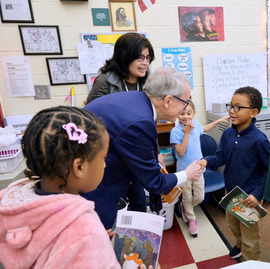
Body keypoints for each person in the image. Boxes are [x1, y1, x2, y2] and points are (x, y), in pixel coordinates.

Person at [83, 66, 203, 230]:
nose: (185, 109)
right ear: (167, 101)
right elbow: (155, 182)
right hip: (92, 189)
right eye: (185, 102)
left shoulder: (135, 100)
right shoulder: (139, 122)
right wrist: (187, 174)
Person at [0, 106, 120, 269]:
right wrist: (90, 241)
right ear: (79, 167)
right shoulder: (86, 232)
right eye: (103, 157)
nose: (105, 165)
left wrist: (93, 246)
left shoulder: (11, 201)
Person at [86, 32, 158, 213]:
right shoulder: (104, 82)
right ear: (125, 56)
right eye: (140, 57)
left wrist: (154, 151)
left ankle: (136, 242)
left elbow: (149, 122)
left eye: (148, 58)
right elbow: (89, 122)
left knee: (139, 203)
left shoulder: (147, 84)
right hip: (110, 155)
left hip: (134, 154)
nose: (145, 63)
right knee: (113, 207)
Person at [198, 87, 270, 261]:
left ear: (253, 112)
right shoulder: (228, 133)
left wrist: (257, 194)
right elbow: (221, 156)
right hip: (231, 193)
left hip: (249, 197)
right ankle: (238, 245)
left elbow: (268, 170)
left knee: (250, 237)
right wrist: (206, 160)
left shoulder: (259, 140)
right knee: (232, 224)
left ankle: (252, 262)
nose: (231, 110)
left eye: (238, 107)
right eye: (230, 105)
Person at [170, 99, 229, 237]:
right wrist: (187, 133)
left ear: (194, 113)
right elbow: (181, 152)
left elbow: (205, 128)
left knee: (199, 197)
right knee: (187, 196)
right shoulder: (175, 131)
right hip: (184, 172)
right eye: (182, 113)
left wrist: (219, 121)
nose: (186, 116)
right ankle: (192, 219)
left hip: (198, 169)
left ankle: (185, 207)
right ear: (177, 115)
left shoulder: (195, 125)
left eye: (189, 113)